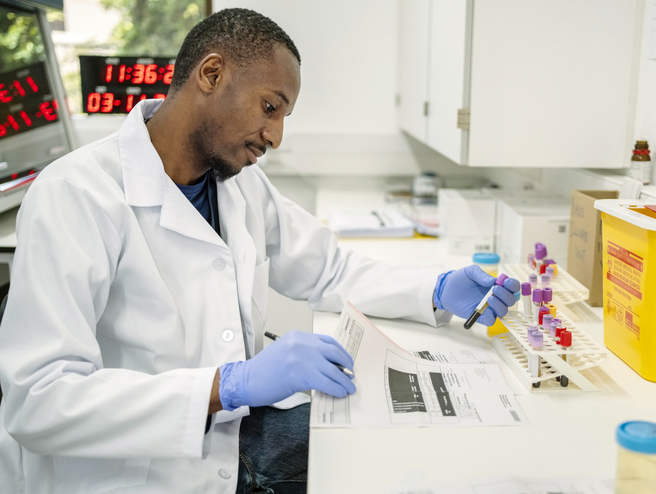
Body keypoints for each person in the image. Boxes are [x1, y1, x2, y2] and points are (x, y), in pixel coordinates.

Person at [0, 8, 519, 494]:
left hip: (228, 438)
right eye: (270, 107)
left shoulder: (236, 182)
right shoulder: (77, 195)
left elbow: (327, 269)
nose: (276, 135)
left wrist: (433, 289)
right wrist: (229, 385)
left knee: (408, 445)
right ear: (211, 74)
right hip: (136, 473)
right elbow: (38, 401)